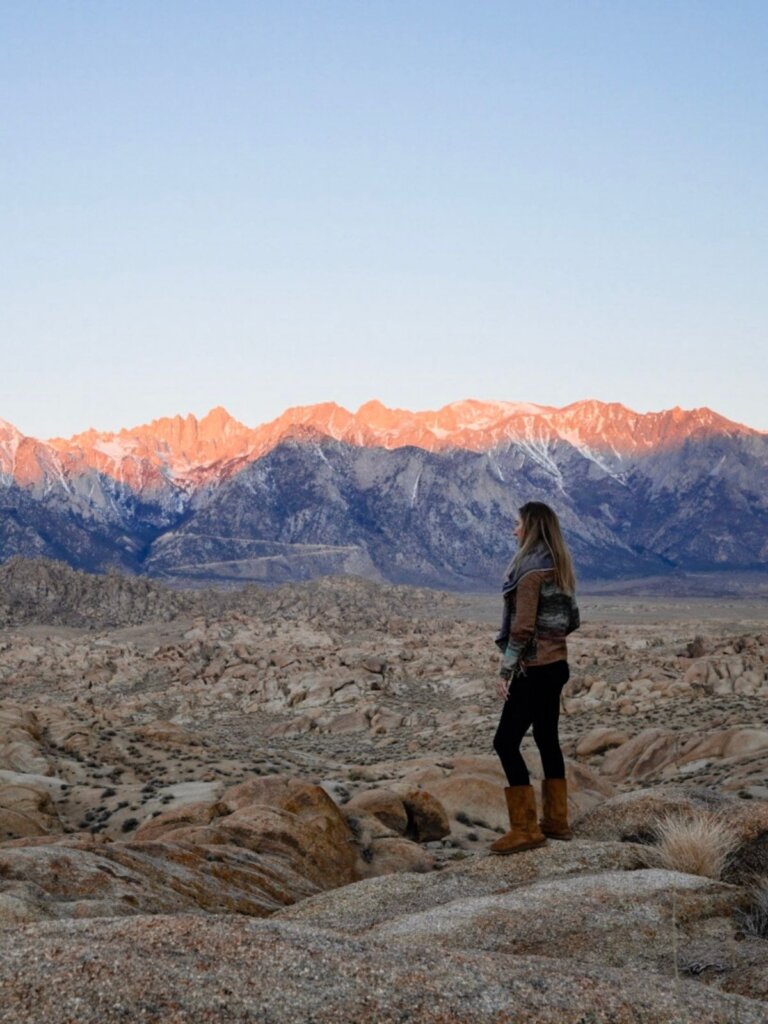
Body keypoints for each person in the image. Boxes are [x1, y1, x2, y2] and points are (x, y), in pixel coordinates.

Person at [490, 501, 579, 855]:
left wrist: (506, 669)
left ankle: (526, 829)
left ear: (530, 528)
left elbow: (522, 628)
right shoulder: (560, 568)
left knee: (505, 742)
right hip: (558, 667)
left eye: (517, 525)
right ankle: (556, 823)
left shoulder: (528, 573)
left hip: (535, 669)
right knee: (546, 738)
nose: (514, 531)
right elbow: (571, 620)